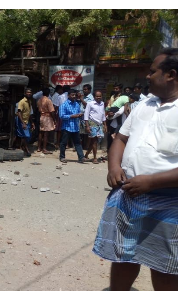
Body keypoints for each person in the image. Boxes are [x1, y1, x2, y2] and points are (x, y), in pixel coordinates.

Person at [92, 47, 178, 291]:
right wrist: (114, 166)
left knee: (164, 265)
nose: (147, 76)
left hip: (170, 201)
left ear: (171, 74)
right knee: (122, 256)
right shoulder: (143, 105)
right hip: (128, 195)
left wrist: (152, 182)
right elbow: (120, 138)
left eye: (153, 72)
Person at [58, 89, 88, 164]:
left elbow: (78, 114)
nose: (74, 96)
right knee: (64, 143)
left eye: (75, 95)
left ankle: (81, 157)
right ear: (68, 95)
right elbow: (61, 116)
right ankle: (62, 157)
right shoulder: (64, 105)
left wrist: (80, 115)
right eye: (72, 95)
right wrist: (72, 116)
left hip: (75, 127)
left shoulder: (77, 104)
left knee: (77, 143)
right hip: (66, 127)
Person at [83, 90, 106, 164]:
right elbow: (86, 115)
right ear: (94, 96)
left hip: (100, 124)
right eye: (97, 96)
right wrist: (87, 126)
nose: (98, 97)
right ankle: (95, 158)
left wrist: (105, 125)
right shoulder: (90, 104)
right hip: (92, 123)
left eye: (100, 96)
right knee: (94, 141)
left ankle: (86, 155)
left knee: (95, 141)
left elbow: (103, 114)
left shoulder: (102, 103)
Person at [13, 87, 35, 157]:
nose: (29, 93)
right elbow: (19, 113)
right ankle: (26, 150)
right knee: (25, 136)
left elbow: (30, 113)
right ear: (25, 93)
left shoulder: (29, 102)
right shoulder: (21, 102)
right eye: (28, 92)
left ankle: (20, 147)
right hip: (22, 121)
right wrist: (23, 123)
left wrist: (32, 122)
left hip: (27, 120)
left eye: (30, 92)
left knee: (23, 136)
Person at [36, 87, 56, 154]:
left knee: (41, 132)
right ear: (48, 93)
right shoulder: (48, 100)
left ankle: (39, 147)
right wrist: (54, 119)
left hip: (41, 116)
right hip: (47, 117)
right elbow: (52, 111)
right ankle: (44, 148)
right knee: (46, 133)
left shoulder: (39, 100)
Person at [51, 85, 63, 150]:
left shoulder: (55, 95)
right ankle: (57, 143)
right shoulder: (57, 96)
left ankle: (56, 143)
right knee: (58, 130)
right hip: (57, 114)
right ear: (59, 89)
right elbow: (55, 106)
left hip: (56, 114)